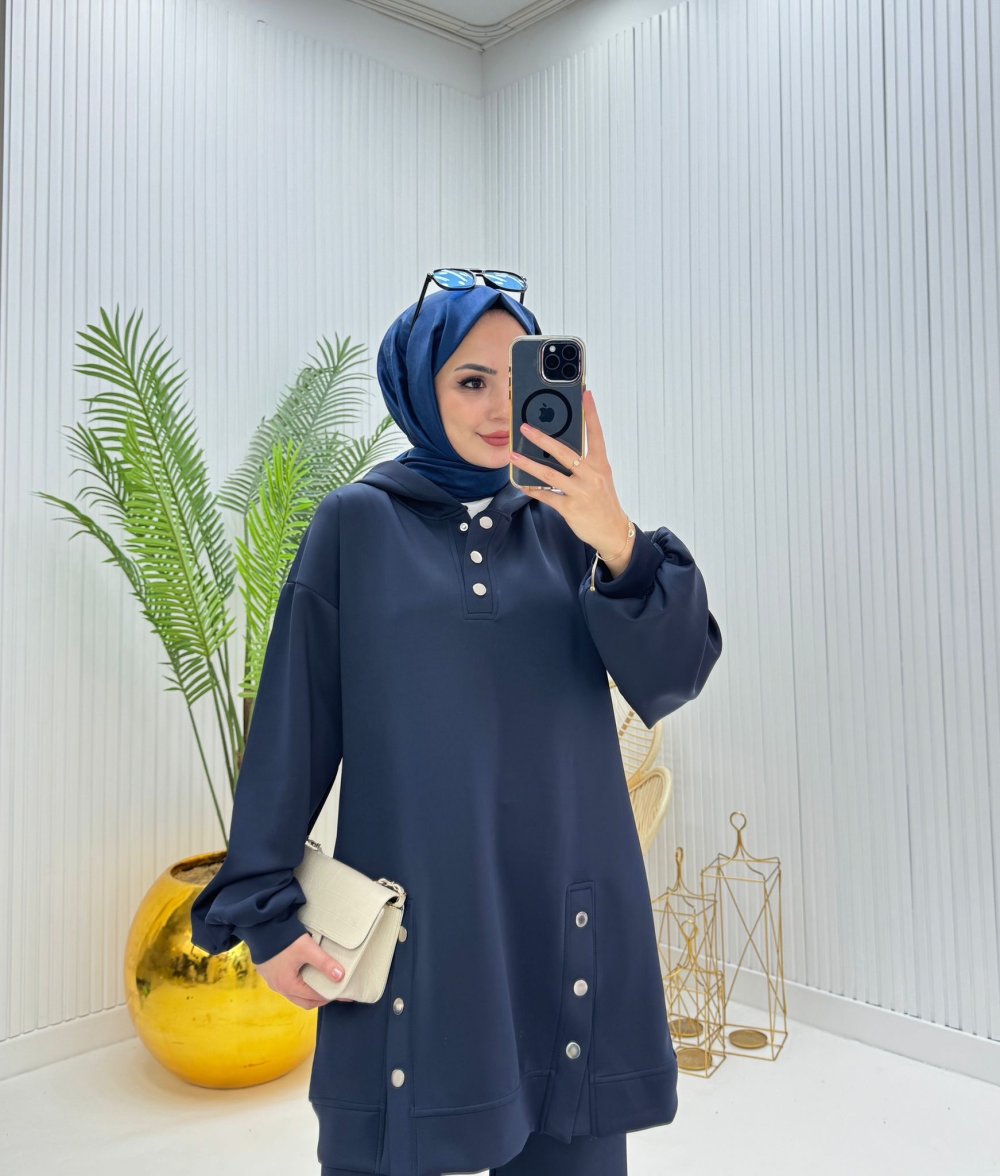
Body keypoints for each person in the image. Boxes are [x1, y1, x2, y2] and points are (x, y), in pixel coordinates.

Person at [190, 281, 723, 1176]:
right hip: (424, 914)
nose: (501, 407)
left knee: (568, 1146)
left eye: (519, 379)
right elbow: (292, 730)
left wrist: (616, 536)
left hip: (564, 906)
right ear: (418, 388)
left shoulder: (570, 530)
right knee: (396, 1145)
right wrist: (267, 916)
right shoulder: (355, 525)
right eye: (471, 381)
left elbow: (674, 676)